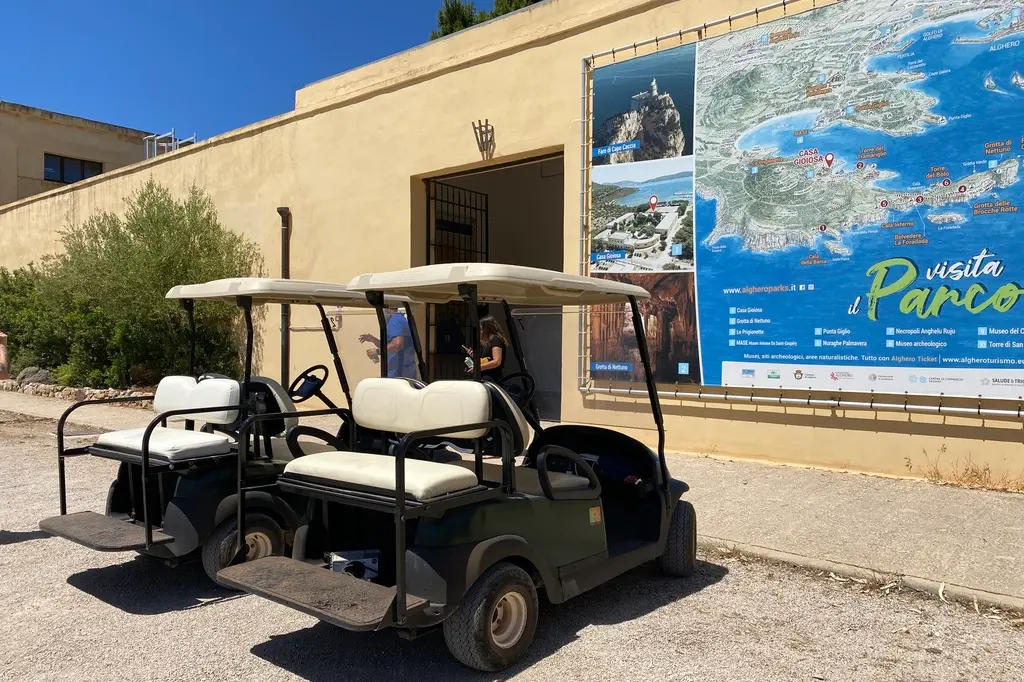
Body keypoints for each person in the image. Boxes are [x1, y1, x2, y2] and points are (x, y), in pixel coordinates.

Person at [359, 308, 418, 379]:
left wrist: (377, 351)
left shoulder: (395, 321)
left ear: (388, 308)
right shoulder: (400, 319)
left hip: (397, 374)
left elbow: (397, 344)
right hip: (404, 372)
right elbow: (389, 345)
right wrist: (373, 339)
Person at [464, 315, 508, 383]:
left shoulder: (495, 340)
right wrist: (473, 355)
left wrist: (479, 367)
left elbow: (496, 361)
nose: (480, 331)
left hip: (492, 378)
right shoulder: (485, 342)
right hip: (482, 376)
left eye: (481, 329)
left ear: (487, 329)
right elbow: (485, 359)